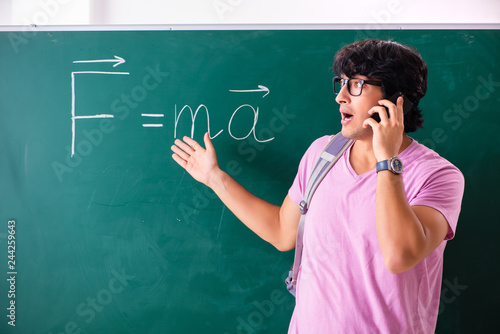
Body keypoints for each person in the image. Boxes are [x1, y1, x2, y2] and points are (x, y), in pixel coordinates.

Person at [171, 39, 464, 333]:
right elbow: (281, 231)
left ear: (397, 100)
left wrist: (387, 159)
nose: (341, 97)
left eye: (357, 85)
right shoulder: (323, 154)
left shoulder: (438, 176)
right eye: (341, 83)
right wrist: (214, 177)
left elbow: (400, 256)